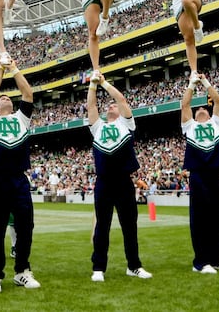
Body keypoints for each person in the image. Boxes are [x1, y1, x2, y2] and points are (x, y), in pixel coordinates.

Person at [0, 57, 39, 292]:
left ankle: (22, 271)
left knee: (26, 227)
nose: (5, 97)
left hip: (18, 179)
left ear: (13, 107)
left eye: (8, 98)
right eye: (1, 98)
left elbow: (27, 92)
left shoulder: (21, 119)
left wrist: (14, 68)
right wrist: (0, 68)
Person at [87, 73, 152, 282]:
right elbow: (91, 108)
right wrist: (92, 86)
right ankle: (98, 268)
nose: (110, 107)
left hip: (124, 181)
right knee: (102, 226)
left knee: (129, 226)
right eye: (108, 107)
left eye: (112, 106)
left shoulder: (126, 125)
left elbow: (122, 100)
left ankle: (134, 265)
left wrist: (104, 83)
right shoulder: (98, 128)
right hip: (104, 182)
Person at [180, 73, 219, 274]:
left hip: (216, 176)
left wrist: (205, 82)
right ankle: (200, 262)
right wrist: (191, 85)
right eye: (199, 109)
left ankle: (218, 259)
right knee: (199, 220)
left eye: (205, 107)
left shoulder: (217, 124)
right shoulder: (190, 126)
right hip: (198, 177)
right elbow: (185, 106)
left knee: (217, 220)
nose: (201, 109)